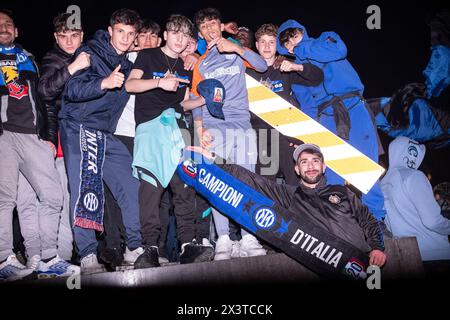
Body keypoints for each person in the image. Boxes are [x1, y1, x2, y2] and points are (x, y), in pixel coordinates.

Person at [188, 142, 387, 268]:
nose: (310, 166)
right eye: (304, 162)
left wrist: (377, 248)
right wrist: (214, 159)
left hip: (365, 265)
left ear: (323, 166)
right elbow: (250, 179)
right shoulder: (288, 195)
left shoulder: (343, 192)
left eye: (315, 161)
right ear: (297, 169)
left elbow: (368, 221)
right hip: (323, 268)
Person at [125, 14, 214, 268]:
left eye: (184, 35)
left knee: (184, 188)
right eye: (174, 33)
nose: (179, 39)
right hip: (151, 130)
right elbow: (130, 85)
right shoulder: (148, 55)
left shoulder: (185, 66)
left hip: (179, 129)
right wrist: (159, 82)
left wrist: (203, 100)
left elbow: (183, 102)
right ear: (165, 34)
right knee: (151, 192)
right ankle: (149, 248)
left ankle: (188, 246)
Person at [59, 8, 144, 273]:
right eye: (120, 31)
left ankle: (134, 247)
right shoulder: (90, 52)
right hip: (78, 127)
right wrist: (104, 83)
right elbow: (71, 89)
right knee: (85, 186)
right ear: (110, 31)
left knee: (130, 181)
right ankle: (86, 254)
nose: (124, 38)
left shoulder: (128, 63)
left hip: (105, 133)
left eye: (130, 34)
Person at [276, 20, 386, 222]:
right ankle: (338, 220)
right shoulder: (295, 71)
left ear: (302, 31)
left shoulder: (325, 38)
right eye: (286, 43)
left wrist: (303, 46)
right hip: (326, 117)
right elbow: (307, 104)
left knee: (366, 165)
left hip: (354, 107)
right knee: (332, 170)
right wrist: (307, 134)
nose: (292, 43)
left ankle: (376, 221)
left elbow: (339, 50)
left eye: (293, 35)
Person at [0, 9, 79, 280]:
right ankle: (4, 260)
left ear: (17, 31)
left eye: (8, 24)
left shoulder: (30, 59)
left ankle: (48, 257)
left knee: (53, 195)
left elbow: (44, 99)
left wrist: (47, 135)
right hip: (3, 135)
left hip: (33, 135)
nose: (4, 28)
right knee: (6, 199)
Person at [185, 7, 268, 260]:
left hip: (241, 123)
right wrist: (200, 130)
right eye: (205, 26)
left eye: (213, 23)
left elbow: (262, 65)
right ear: (200, 32)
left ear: (221, 26)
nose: (210, 29)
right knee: (218, 182)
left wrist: (238, 49)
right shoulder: (201, 62)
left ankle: (248, 236)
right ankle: (223, 238)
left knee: (246, 180)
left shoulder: (235, 51)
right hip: (214, 126)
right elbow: (195, 99)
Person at [248, 23, 323, 185]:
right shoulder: (247, 71)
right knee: (266, 189)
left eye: (271, 42)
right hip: (261, 138)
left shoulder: (285, 67)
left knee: (295, 187)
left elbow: (318, 77)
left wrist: (297, 66)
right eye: (262, 42)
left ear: (277, 46)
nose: (267, 46)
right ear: (256, 45)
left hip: (286, 137)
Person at [381, 136, 450, 263]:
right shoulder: (414, 176)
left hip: (408, 256)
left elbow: (388, 227)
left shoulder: (383, 184)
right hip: (435, 252)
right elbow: (432, 221)